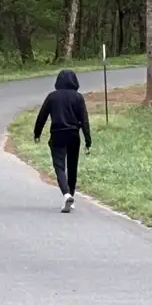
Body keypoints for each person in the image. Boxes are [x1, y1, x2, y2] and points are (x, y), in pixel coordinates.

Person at [33, 68, 92, 213]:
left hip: (58, 134)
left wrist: (37, 133)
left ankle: (66, 194)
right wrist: (87, 139)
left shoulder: (52, 97)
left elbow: (42, 116)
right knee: (72, 167)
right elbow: (84, 119)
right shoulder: (78, 97)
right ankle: (71, 197)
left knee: (59, 166)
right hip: (73, 134)